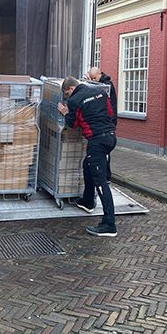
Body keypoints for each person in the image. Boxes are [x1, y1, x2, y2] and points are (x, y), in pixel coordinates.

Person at [57, 76, 118, 237]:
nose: (68, 97)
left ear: (70, 89)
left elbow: (72, 124)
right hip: (110, 137)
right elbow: (110, 113)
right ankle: (87, 201)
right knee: (88, 165)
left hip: (97, 140)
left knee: (101, 183)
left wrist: (65, 112)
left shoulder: (75, 100)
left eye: (67, 94)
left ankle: (109, 225)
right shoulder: (100, 92)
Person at [84, 67, 117, 183]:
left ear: (100, 74)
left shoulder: (107, 85)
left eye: (95, 78)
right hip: (105, 122)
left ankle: (106, 176)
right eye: (91, 78)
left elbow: (100, 93)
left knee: (104, 153)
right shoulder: (98, 84)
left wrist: (90, 84)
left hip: (108, 122)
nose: (94, 80)